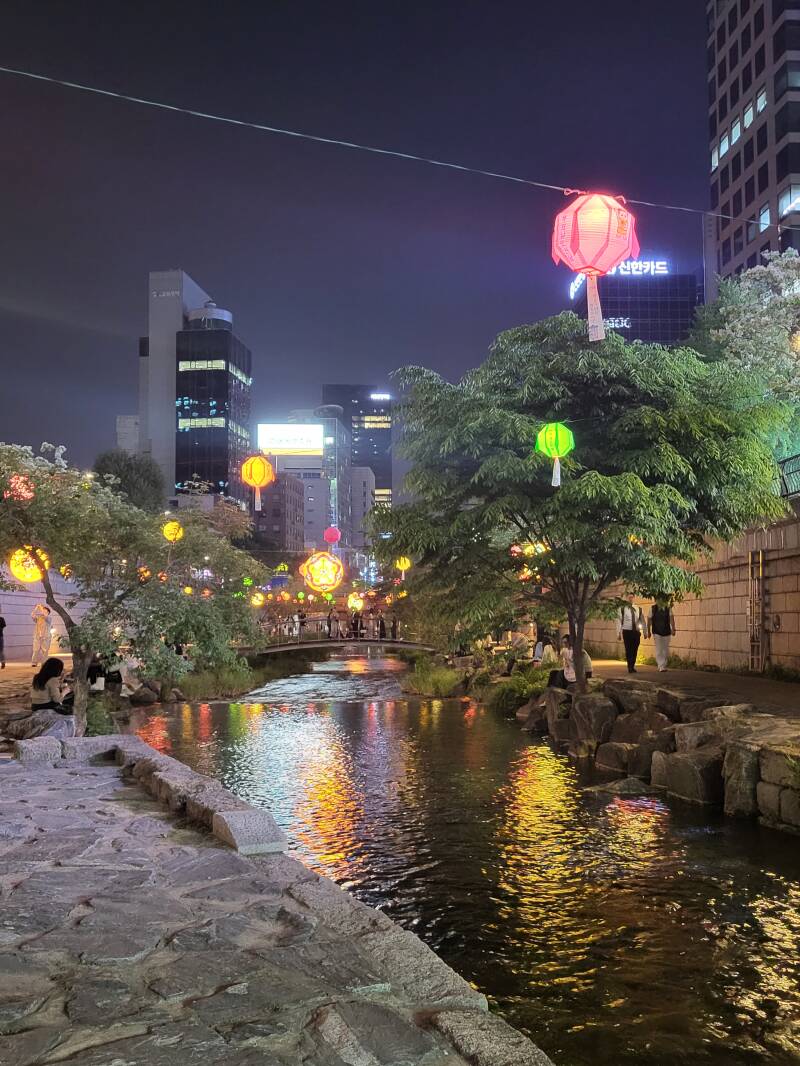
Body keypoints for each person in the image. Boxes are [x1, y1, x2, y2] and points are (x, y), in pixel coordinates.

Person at [617, 602, 649, 674]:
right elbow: (619, 621)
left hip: (636, 631)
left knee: (635, 649)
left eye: (632, 597)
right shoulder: (623, 609)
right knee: (628, 649)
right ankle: (629, 667)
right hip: (627, 631)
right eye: (629, 597)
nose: (630, 599)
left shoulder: (638, 609)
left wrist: (645, 631)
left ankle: (632, 665)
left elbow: (643, 621)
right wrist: (618, 632)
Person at [649, 598, 676, 672]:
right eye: (658, 599)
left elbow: (671, 618)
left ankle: (664, 665)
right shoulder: (653, 608)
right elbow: (649, 619)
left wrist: (673, 629)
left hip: (666, 631)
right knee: (659, 648)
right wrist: (648, 630)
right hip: (656, 631)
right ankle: (661, 666)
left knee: (665, 649)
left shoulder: (668, 608)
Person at [0, 605, 6, 669]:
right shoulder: (2, 619)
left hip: (0, 636)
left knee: (1, 650)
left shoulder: (1, 619)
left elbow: (2, 628)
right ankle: (3, 662)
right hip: (0, 636)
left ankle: (3, 662)